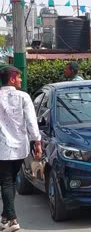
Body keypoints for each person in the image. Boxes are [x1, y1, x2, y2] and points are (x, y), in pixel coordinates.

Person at [0, 66, 42, 232]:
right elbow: (32, 121)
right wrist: (37, 142)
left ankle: (10, 218)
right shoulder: (23, 97)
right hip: (19, 147)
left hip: (2, 148)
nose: (20, 80)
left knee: (6, 181)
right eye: (18, 77)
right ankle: (8, 219)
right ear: (11, 78)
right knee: (9, 180)